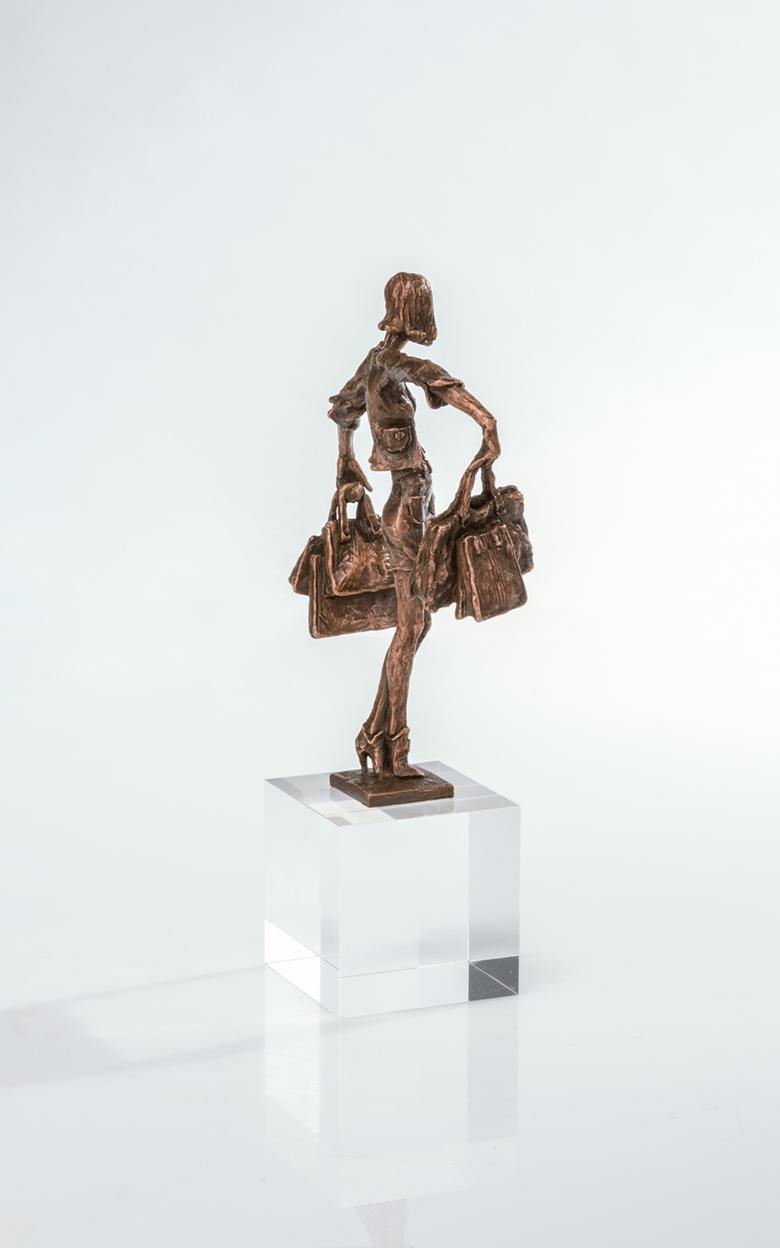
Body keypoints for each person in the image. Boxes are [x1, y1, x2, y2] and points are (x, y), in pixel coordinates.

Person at [327, 272, 501, 778]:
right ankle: (394, 747)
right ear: (414, 311)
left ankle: (373, 733)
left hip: (412, 502)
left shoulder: (373, 361)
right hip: (406, 509)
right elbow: (431, 375)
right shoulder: (389, 362)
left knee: (416, 624)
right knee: (411, 628)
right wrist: (486, 421)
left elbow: (343, 411)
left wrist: (347, 459)